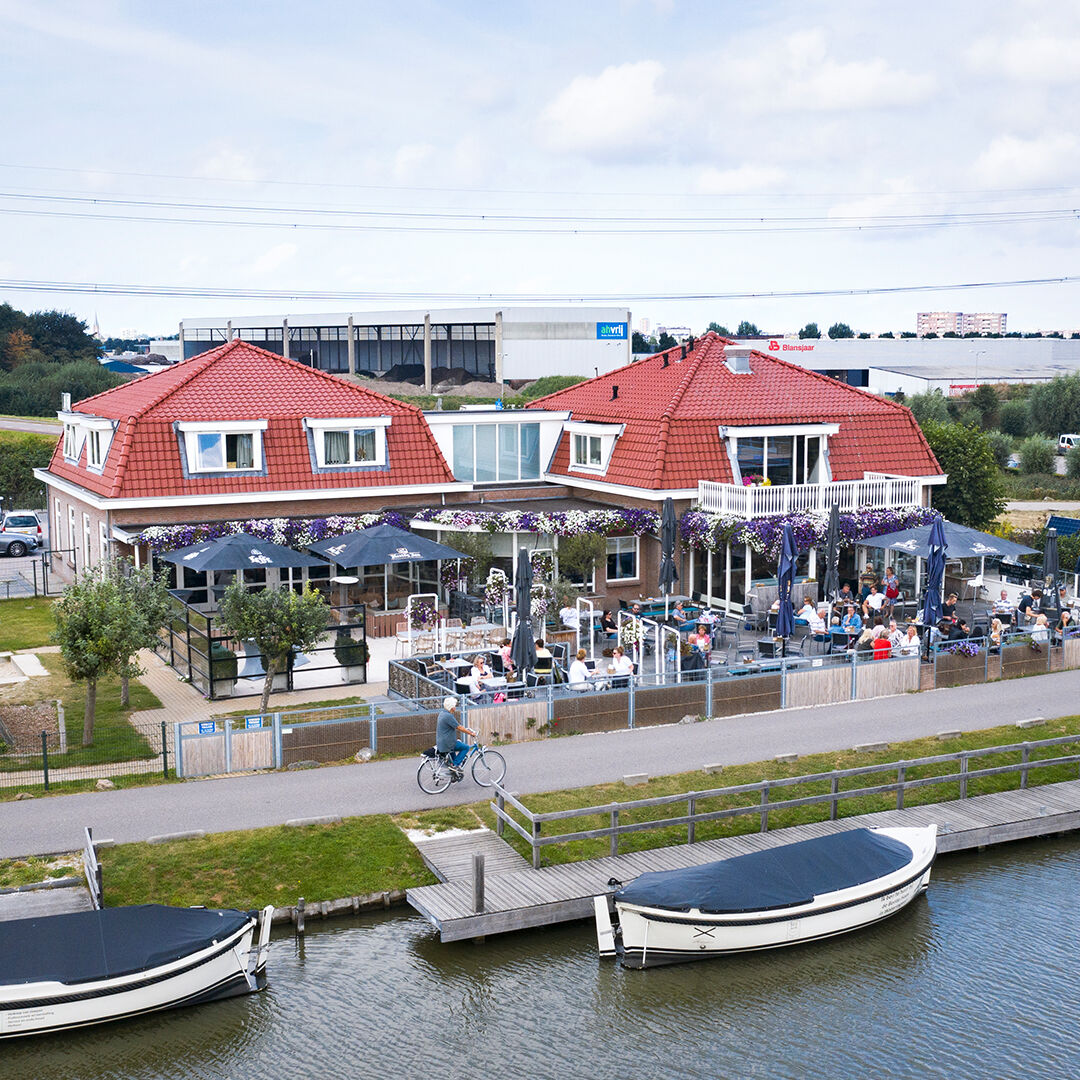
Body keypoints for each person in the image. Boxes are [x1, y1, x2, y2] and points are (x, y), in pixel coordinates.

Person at [435, 696, 476, 775]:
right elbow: (459, 727)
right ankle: (455, 766)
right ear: (451, 707)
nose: (455, 707)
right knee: (466, 747)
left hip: (443, 742)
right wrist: (471, 733)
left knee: (453, 758)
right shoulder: (448, 716)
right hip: (448, 743)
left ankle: (454, 774)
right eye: (454, 705)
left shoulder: (442, 713)